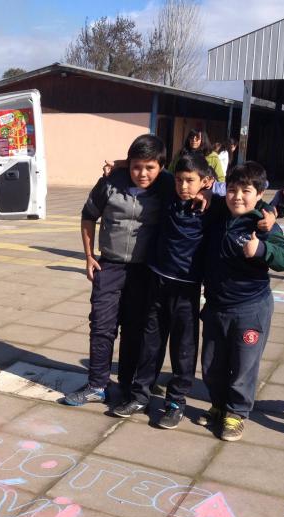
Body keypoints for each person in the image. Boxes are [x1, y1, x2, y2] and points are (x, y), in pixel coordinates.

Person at [60, 135, 173, 407]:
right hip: (109, 266)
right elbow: (88, 217)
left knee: (135, 329)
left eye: (149, 168)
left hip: (145, 271)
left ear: (160, 166)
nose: (142, 174)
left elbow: (200, 183)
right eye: (136, 167)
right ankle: (97, 385)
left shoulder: (167, 184)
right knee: (101, 326)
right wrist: (88, 256)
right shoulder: (110, 183)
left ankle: (126, 384)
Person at [198, 162, 284, 441]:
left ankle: (236, 413)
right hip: (217, 307)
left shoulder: (262, 222)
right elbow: (200, 189)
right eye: (232, 190)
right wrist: (207, 194)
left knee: (243, 365)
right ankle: (218, 405)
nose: (238, 196)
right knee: (212, 364)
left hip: (250, 308)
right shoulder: (218, 213)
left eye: (246, 191)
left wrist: (262, 248)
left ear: (259, 194)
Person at [110, 154, 211, 427]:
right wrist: (122, 163)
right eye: (180, 180)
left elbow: (240, 196)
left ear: (205, 181)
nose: (183, 186)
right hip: (157, 284)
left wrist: (211, 193)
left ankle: (175, 401)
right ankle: (140, 395)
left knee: (183, 349)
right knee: (150, 344)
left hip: (187, 291)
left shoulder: (211, 208)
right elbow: (152, 166)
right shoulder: (169, 192)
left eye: (190, 181)